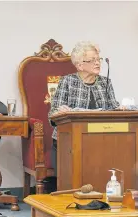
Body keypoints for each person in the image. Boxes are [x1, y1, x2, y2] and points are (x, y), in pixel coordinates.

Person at [46, 41, 120, 191]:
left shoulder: (105, 82)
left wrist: (121, 109)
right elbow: (52, 114)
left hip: (100, 140)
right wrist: (61, 112)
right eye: (91, 60)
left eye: (98, 59)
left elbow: (114, 109)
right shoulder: (68, 81)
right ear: (79, 65)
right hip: (69, 141)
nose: (97, 63)